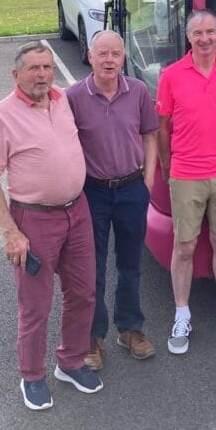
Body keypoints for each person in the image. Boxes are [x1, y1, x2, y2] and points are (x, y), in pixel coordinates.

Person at [0, 41, 102, 411]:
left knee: (84, 292)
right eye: (34, 68)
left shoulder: (62, 100)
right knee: (35, 305)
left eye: (47, 67)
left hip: (77, 212)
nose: (43, 75)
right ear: (16, 74)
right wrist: (10, 232)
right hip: (33, 220)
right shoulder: (1, 116)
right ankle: (31, 375)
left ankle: (71, 361)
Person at [156, 10, 216, 354]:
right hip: (186, 174)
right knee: (184, 247)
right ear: (188, 37)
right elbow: (163, 126)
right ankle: (182, 314)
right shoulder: (171, 75)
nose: (204, 39)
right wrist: (168, 166)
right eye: (197, 33)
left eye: (210, 32)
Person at [66, 30, 159, 370]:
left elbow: (150, 135)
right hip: (92, 192)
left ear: (124, 58)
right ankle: (93, 337)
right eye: (102, 53)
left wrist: (148, 181)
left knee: (130, 265)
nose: (109, 60)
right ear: (90, 57)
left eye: (115, 54)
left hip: (132, 188)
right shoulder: (73, 97)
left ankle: (130, 329)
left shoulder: (137, 91)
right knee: (92, 268)